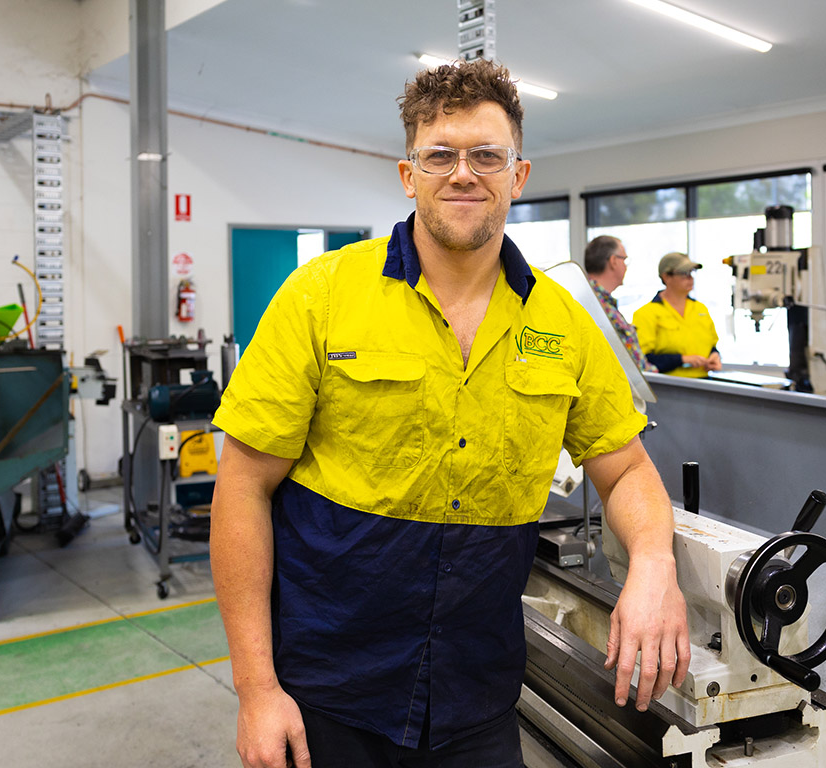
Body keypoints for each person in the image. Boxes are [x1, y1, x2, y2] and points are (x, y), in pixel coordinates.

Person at [209, 59, 689, 768]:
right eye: (440, 155)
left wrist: (654, 562)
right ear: (410, 175)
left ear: (518, 175)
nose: (463, 173)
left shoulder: (564, 324)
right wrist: (256, 689)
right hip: (326, 696)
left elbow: (624, 472)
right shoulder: (323, 295)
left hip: (479, 695)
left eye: (486, 155)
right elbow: (243, 486)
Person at [632, 252, 722, 377]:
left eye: (691, 273)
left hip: (704, 381)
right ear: (666, 277)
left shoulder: (700, 309)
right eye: (684, 273)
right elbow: (643, 360)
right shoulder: (646, 314)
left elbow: (711, 344)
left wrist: (715, 356)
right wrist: (682, 360)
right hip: (669, 386)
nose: (690, 278)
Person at [584, 235, 658, 373]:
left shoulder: (601, 302)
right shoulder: (593, 303)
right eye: (624, 259)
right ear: (613, 261)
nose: (626, 266)